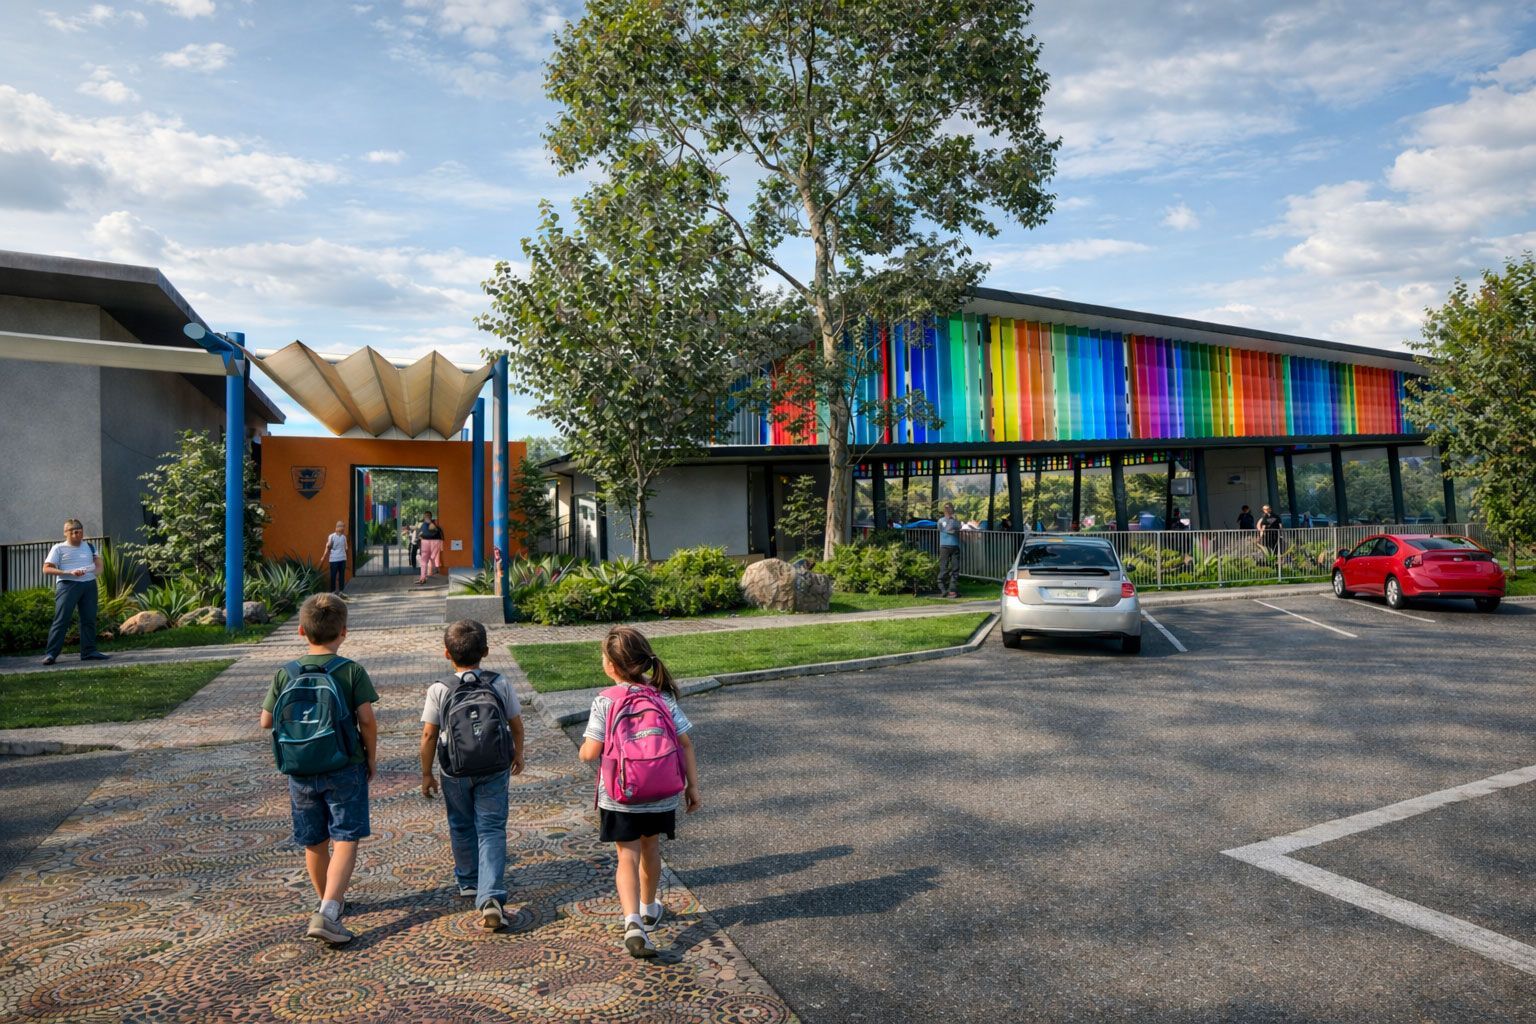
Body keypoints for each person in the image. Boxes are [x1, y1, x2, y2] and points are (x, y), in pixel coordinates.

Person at [259, 593, 379, 945]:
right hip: (344, 764)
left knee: (314, 840)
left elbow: (266, 721)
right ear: (344, 631)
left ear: (300, 631)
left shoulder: (287, 672)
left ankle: (329, 900)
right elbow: (367, 721)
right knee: (345, 837)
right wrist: (370, 757)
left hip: (300, 768)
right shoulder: (351, 670)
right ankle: (329, 910)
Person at [579, 626, 700, 959]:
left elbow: (591, 752)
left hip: (621, 796)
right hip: (662, 792)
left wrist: (584, 750)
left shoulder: (606, 700)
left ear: (612, 666)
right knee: (651, 848)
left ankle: (634, 923)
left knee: (626, 856)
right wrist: (693, 787)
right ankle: (649, 907)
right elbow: (685, 743)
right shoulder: (662, 696)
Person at [420, 620, 525, 931]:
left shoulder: (439, 689)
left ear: (446, 654)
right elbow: (516, 725)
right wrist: (517, 754)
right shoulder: (499, 683)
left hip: (454, 770)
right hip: (494, 768)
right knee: (491, 829)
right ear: (487, 652)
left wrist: (427, 773)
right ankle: (491, 895)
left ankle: (468, 881)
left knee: (461, 823)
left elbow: (428, 735)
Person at [40, 518, 109, 666]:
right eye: (74, 531)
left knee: (89, 619)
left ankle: (89, 652)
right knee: (62, 619)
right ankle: (51, 654)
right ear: (66, 533)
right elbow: (46, 568)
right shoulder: (58, 548)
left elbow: (99, 565)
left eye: (80, 531)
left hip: (89, 585)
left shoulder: (89, 547)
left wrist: (94, 571)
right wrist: (68, 572)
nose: (77, 534)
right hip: (67, 585)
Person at [936, 502, 962, 598]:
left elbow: (944, 529)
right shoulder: (950, 521)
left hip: (949, 546)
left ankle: (947, 589)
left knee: (949, 568)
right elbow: (953, 529)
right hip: (949, 546)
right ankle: (948, 590)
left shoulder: (944, 521)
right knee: (949, 569)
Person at [322, 520, 349, 594]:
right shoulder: (331, 536)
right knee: (333, 575)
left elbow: (346, 547)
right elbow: (328, 547)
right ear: (337, 527)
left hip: (342, 559)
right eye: (342, 526)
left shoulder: (344, 537)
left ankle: (341, 591)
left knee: (342, 576)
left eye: (344, 526)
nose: (343, 528)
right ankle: (333, 591)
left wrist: (346, 549)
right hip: (334, 560)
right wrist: (324, 555)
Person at [416, 514, 444, 585]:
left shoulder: (423, 525)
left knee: (425, 561)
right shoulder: (435, 526)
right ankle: (424, 577)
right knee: (429, 559)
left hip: (426, 542)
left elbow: (418, 535)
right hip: (433, 542)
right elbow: (441, 537)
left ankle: (423, 577)